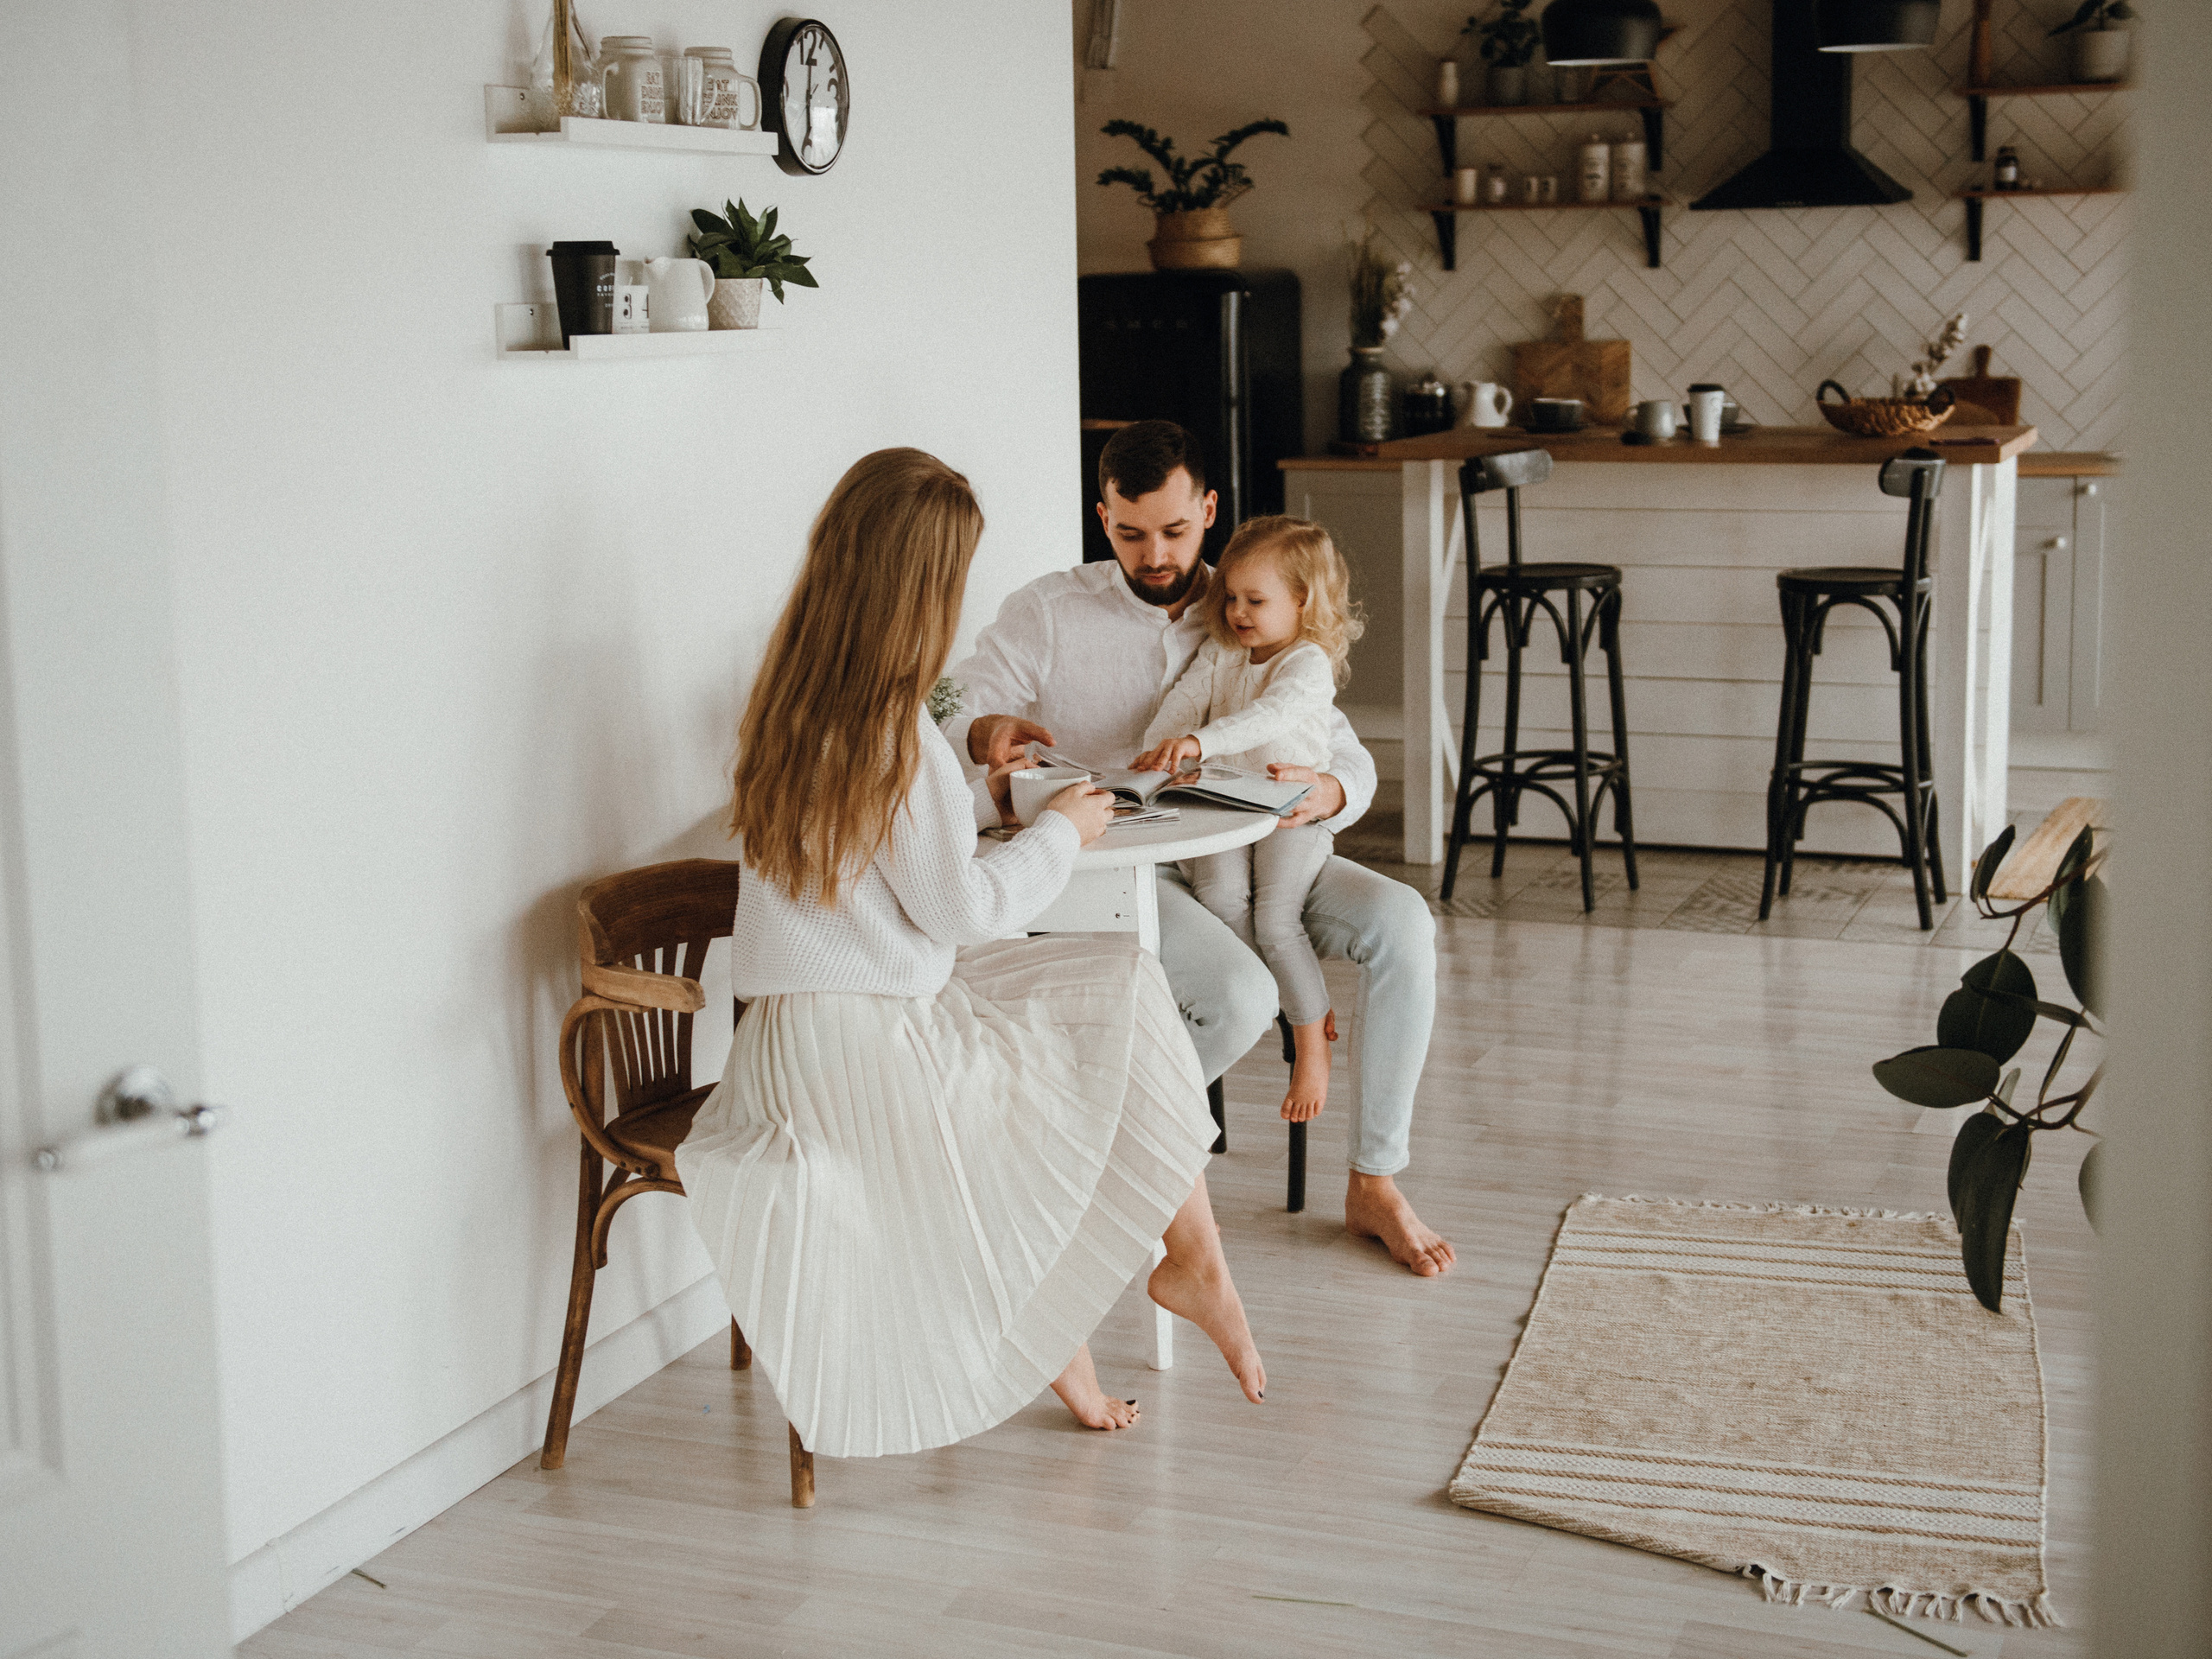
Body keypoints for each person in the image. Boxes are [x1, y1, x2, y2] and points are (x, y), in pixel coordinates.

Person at [676, 448, 1266, 1463]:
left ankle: (1165, 1282)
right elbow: (961, 909)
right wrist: (1063, 830)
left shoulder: (793, 701)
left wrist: (985, 801)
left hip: (795, 1037)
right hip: (862, 1052)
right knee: (1094, 1028)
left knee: (1111, 989)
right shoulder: (892, 730)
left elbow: (875, 855)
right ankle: (1187, 1270)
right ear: (923, 589)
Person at [942, 421, 1456, 1278]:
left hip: (1256, 851)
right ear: (1102, 518)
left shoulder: (1252, 599)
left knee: (1403, 923)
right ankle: (1099, 1161)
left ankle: (1375, 1181)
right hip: (1131, 867)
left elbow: (1339, 745)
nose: (1155, 555)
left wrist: (1330, 792)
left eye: (1175, 531)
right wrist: (981, 732)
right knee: (1238, 995)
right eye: (1130, 533)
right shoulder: (1049, 611)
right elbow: (952, 705)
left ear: (1209, 511)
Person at [1133, 516, 1361, 1127]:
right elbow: (1181, 705)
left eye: (1255, 601)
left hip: (1290, 813)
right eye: (1231, 597)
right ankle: (1286, 1000)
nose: (1237, 612)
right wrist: (1159, 751)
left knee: (1276, 920)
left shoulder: (1307, 663)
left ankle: (1309, 1037)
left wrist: (1199, 744)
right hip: (1225, 808)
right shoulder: (1222, 651)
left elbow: (1266, 717)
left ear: (1302, 600)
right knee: (1219, 896)